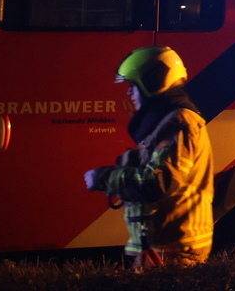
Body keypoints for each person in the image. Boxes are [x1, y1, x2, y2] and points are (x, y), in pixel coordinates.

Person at [85, 46, 213, 268]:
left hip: (173, 250)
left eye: (132, 86)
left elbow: (158, 183)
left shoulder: (178, 121)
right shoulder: (166, 121)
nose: (129, 93)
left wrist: (104, 178)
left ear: (152, 83)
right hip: (163, 247)